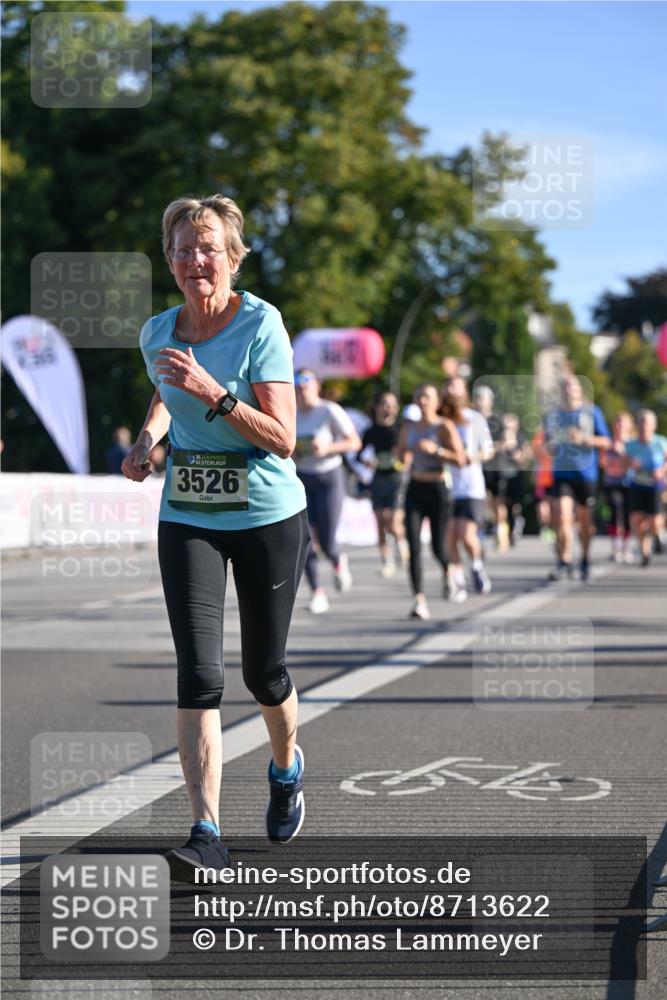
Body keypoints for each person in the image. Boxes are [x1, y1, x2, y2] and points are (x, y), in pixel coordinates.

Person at [121, 194, 309, 880]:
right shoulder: (156, 332)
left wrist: (216, 393)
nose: (194, 259)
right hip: (189, 517)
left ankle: (286, 765)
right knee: (199, 674)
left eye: (207, 247)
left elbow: (283, 439)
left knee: (264, 674)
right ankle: (206, 832)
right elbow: (164, 393)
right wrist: (147, 441)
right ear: (168, 260)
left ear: (231, 257)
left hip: (266, 516)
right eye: (181, 248)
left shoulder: (261, 324)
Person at [293, 369, 361, 614]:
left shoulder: (329, 410)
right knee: (305, 540)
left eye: (307, 383)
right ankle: (317, 593)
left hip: (329, 477)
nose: (302, 389)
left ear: (317, 386)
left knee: (329, 541)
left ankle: (337, 560)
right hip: (302, 479)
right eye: (297, 385)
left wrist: (328, 447)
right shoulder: (291, 412)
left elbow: (354, 442)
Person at [396, 383, 465, 619]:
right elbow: (401, 453)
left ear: (436, 402)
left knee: (437, 546)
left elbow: (461, 459)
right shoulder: (409, 428)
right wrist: (401, 457)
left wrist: (436, 451)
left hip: (438, 488)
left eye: (427, 397)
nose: (422, 401)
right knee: (413, 546)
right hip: (415, 487)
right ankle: (419, 600)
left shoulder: (444, 426)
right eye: (419, 396)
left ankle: (450, 570)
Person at [543, 375, 611, 582]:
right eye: (564, 387)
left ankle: (585, 559)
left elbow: (606, 441)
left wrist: (584, 439)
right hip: (562, 473)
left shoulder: (591, 412)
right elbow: (547, 443)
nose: (568, 391)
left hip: (586, 474)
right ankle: (564, 560)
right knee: (563, 516)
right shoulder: (553, 416)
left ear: (579, 390)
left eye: (572, 387)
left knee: (584, 521)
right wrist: (551, 446)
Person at [440, 376, 495, 600]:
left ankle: (476, 565)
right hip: (446, 485)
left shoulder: (474, 418)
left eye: (456, 387)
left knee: (467, 533)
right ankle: (459, 580)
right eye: (448, 387)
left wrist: (473, 457)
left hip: (471, 486)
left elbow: (488, 450)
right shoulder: (440, 420)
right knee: (450, 535)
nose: (452, 391)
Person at [358, 390, 408, 577]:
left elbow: (409, 451)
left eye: (394, 404)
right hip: (378, 478)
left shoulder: (401, 428)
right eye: (386, 404)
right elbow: (358, 454)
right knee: (379, 521)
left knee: (393, 523)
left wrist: (404, 459)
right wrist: (367, 462)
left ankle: (402, 545)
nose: (390, 408)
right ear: (377, 407)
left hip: (398, 478)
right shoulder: (370, 431)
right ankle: (387, 561)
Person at [625, 409, 667, 567]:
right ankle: (644, 552)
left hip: (655, 485)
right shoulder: (631, 444)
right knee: (637, 520)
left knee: (655, 521)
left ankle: (656, 535)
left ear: (653, 426)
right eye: (641, 422)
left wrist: (661, 470)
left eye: (647, 422)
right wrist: (630, 464)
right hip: (637, 484)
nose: (644, 426)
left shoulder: (660, 442)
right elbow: (622, 465)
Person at [600, 411, 635, 563]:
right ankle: (616, 547)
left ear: (629, 425)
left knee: (628, 513)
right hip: (612, 482)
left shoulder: (633, 443)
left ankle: (627, 547)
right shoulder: (608, 442)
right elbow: (603, 462)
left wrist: (622, 455)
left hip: (629, 482)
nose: (620, 425)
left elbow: (634, 463)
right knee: (615, 509)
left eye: (623, 422)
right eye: (617, 422)